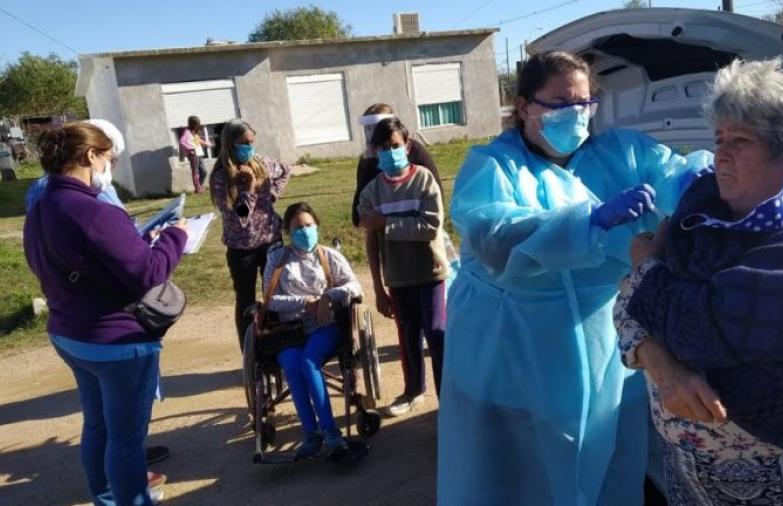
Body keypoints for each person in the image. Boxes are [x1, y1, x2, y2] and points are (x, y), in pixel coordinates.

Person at [437, 50, 713, 505]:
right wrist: (587, 222)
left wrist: (701, 183)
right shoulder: (494, 165)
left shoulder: (622, 152)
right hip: (516, 355)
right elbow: (493, 236)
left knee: (614, 468)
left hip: (607, 346)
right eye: (561, 104)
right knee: (516, 477)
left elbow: (675, 175)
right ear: (524, 106)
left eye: (585, 103)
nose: (577, 115)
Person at [614, 57, 783, 505]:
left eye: (741, 141)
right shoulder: (700, 216)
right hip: (686, 465)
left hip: (779, 471)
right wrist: (662, 365)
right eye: (719, 139)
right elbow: (626, 307)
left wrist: (647, 267)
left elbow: (701, 332)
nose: (720, 154)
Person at [23, 123, 188, 505]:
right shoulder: (93, 210)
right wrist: (175, 237)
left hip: (70, 334)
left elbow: (50, 261)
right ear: (89, 157)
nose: (109, 165)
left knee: (97, 425)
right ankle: (130, 500)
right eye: (108, 157)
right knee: (127, 440)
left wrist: (135, 245)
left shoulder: (41, 205)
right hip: (116, 343)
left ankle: (105, 496)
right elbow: (148, 274)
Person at [357, 117, 449, 417]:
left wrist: (386, 223)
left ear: (407, 146)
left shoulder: (423, 179)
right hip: (398, 278)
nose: (390, 152)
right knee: (407, 337)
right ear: (375, 151)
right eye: (383, 148)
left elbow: (430, 226)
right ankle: (413, 391)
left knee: (437, 333)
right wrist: (379, 287)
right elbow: (370, 239)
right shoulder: (371, 192)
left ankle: (449, 398)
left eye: (395, 146)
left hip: (430, 272)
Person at [262, 201, 363, 458]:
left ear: (316, 225)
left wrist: (328, 296)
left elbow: (356, 287)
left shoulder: (329, 256)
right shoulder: (276, 259)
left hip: (324, 324)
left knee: (309, 363)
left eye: (308, 225)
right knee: (293, 367)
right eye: (297, 227)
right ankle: (311, 434)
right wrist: (303, 302)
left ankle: (330, 432)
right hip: (287, 329)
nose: (304, 231)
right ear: (288, 231)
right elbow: (269, 300)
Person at [210, 119, 290, 349]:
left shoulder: (261, 163)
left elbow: (285, 170)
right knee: (245, 299)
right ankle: (251, 353)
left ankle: (276, 347)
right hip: (241, 248)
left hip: (270, 241)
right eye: (243, 143)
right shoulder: (221, 177)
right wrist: (250, 189)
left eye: (251, 142)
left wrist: (272, 193)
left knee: (275, 296)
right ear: (230, 144)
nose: (249, 148)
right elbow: (240, 217)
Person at [179, 115, 212, 193]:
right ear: (193, 124)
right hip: (193, 155)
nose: (198, 125)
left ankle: (199, 186)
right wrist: (190, 150)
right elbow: (182, 142)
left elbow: (197, 140)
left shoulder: (193, 132)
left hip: (199, 154)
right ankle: (198, 188)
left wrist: (206, 144)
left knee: (203, 172)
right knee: (196, 172)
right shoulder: (187, 132)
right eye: (197, 123)